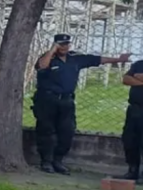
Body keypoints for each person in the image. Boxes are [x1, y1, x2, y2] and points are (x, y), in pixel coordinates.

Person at [32, 34, 131, 174]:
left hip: (66, 100)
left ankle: (58, 161)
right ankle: (46, 162)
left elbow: (97, 60)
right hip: (47, 99)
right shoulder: (48, 58)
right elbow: (42, 66)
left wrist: (119, 59)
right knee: (46, 130)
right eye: (61, 44)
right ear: (55, 45)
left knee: (67, 131)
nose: (64, 47)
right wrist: (52, 50)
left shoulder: (75, 58)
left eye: (66, 44)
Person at [120, 57, 143, 180]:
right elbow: (126, 79)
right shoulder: (139, 64)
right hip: (135, 108)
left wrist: (138, 77)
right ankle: (132, 170)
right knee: (130, 139)